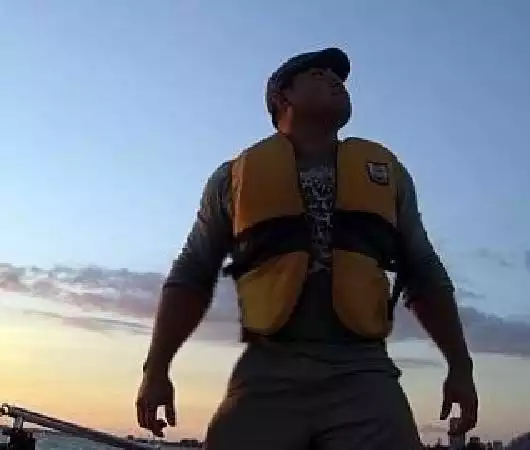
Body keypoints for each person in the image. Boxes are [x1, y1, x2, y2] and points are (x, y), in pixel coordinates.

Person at [136, 47, 478, 450]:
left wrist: (460, 367)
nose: (336, 81)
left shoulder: (389, 174)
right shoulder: (231, 181)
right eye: (318, 74)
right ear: (281, 96)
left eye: (340, 78)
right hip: (268, 369)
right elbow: (192, 273)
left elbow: (424, 272)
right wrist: (156, 369)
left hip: (362, 370)